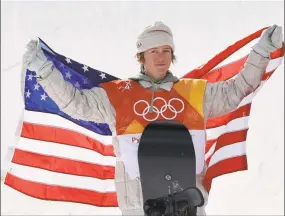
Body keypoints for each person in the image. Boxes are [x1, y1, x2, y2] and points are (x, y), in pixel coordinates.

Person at [23, 21, 283, 215]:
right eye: (153, 51)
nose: (161, 57)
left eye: (166, 51)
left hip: (187, 205)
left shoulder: (194, 92)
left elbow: (237, 90)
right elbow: (75, 104)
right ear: (141, 56)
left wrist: (261, 52)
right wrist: (45, 71)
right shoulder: (118, 95)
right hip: (139, 207)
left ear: (172, 55)